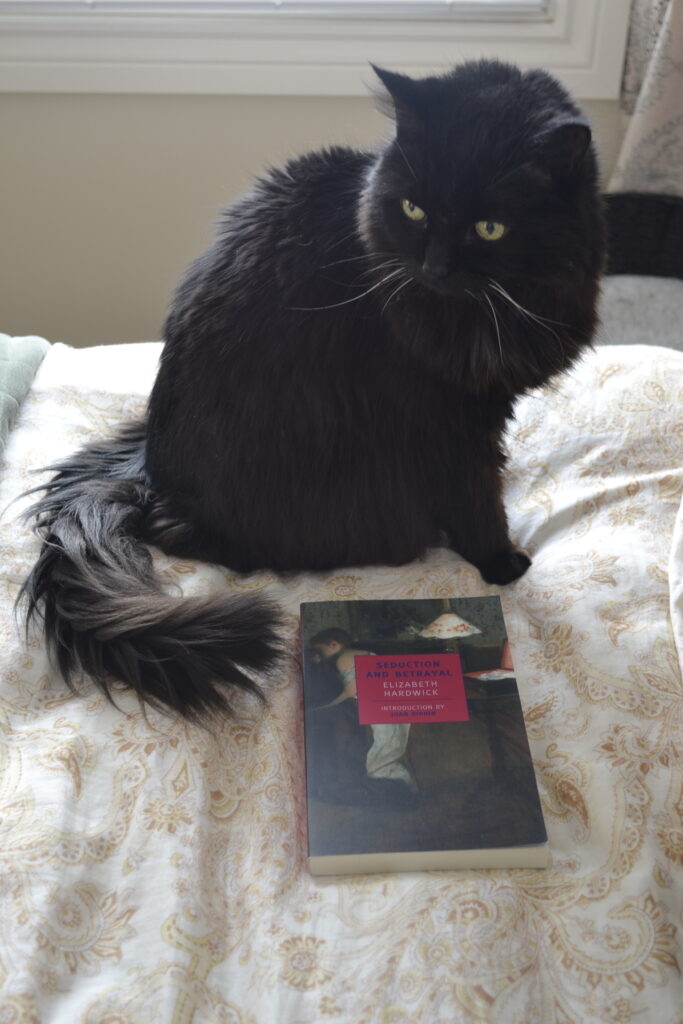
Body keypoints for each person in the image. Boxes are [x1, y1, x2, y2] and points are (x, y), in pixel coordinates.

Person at [310, 628, 414, 789]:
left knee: (381, 753)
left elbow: (351, 691)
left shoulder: (343, 658)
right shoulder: (365, 652)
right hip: (392, 701)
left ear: (333, 645)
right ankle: (401, 781)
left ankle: (396, 785)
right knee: (390, 745)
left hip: (379, 706)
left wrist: (330, 704)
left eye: (320, 650)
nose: (318, 655)